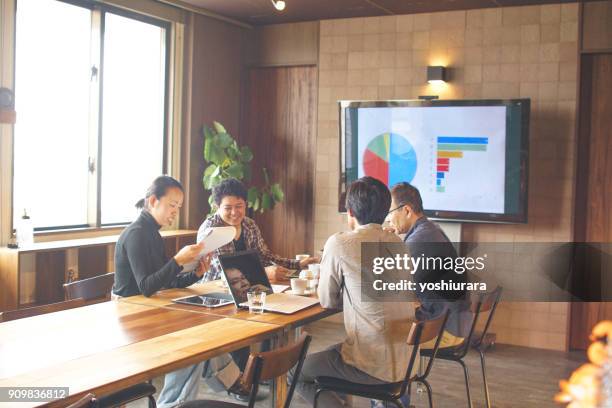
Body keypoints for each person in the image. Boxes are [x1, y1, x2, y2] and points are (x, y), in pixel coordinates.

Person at [293, 177, 415, 408]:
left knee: (295, 373)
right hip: (406, 361)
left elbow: (327, 300)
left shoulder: (340, 243)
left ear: (350, 211)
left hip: (374, 364)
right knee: (334, 353)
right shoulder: (398, 242)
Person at [112, 175, 212, 408]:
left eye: (179, 207)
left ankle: (177, 402)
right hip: (129, 317)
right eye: (172, 205)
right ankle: (174, 403)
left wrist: (195, 274)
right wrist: (177, 261)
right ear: (154, 200)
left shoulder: (153, 233)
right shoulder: (137, 233)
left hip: (147, 309)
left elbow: (164, 281)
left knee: (199, 340)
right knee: (191, 347)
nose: (175, 212)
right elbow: (147, 286)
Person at [387, 182, 470, 349]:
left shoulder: (419, 240)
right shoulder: (430, 230)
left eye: (389, 212)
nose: (388, 219)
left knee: (378, 337)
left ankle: (393, 374)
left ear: (407, 210)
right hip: (454, 322)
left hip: (443, 330)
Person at [198, 178, 318, 283]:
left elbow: (265, 256)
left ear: (246, 204)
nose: (234, 212)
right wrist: (264, 272)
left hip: (247, 289)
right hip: (215, 294)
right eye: (228, 208)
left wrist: (298, 264)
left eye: (239, 206)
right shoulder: (210, 229)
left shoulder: (249, 225)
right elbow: (225, 271)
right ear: (217, 207)